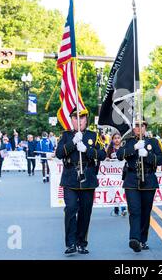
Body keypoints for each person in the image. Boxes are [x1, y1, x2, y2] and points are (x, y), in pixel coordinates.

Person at [55, 108, 106, 255]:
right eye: (76, 118)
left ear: (86, 120)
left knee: (85, 212)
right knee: (70, 209)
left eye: (82, 118)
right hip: (70, 177)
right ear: (72, 120)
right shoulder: (65, 136)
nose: (79, 120)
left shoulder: (93, 135)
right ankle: (70, 243)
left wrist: (87, 150)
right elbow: (59, 153)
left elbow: (102, 154)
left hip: (87, 177)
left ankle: (81, 242)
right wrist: (73, 142)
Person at [116, 119, 162, 252]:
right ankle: (134, 239)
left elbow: (160, 160)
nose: (139, 127)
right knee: (134, 210)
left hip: (148, 179)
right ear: (133, 128)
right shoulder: (128, 141)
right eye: (136, 125)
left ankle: (143, 239)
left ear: (145, 127)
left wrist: (148, 155)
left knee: (145, 211)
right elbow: (119, 155)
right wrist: (134, 148)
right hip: (131, 179)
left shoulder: (153, 142)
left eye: (141, 125)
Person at [106, 132, 127, 217]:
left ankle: (123, 208)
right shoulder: (110, 149)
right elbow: (106, 158)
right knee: (115, 190)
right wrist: (107, 159)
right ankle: (116, 207)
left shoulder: (124, 148)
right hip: (113, 174)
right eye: (115, 138)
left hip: (122, 173)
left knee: (122, 190)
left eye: (118, 138)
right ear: (112, 139)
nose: (117, 139)